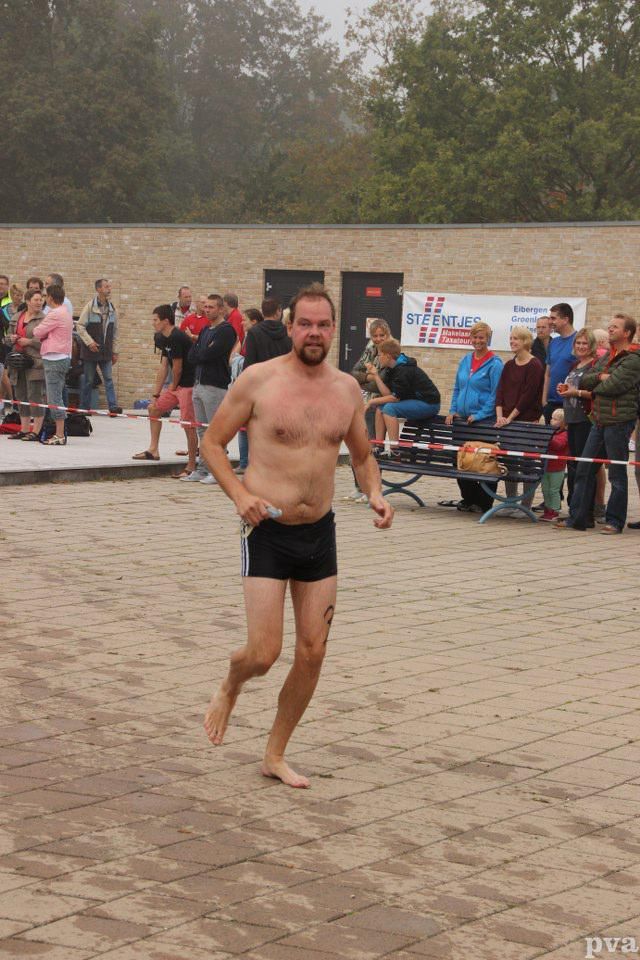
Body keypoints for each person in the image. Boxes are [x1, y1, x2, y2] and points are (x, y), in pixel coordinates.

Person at [201, 283, 394, 788]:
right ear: (289, 327)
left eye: (323, 324)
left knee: (313, 651)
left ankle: (275, 752)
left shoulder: (347, 390)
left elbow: (361, 455)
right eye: (304, 323)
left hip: (319, 534)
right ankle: (231, 682)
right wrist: (240, 496)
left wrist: (374, 492)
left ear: (334, 330)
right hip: (265, 530)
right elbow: (212, 444)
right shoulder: (259, 381)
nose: (314, 332)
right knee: (263, 654)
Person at [556, 313, 640, 534]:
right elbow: (586, 378)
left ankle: (614, 520)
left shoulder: (633, 358)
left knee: (616, 473)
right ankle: (578, 518)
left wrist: (602, 379)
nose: (610, 329)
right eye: (609, 326)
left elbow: (613, 386)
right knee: (583, 468)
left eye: (615, 327)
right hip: (599, 420)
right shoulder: (607, 356)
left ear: (627, 333)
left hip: (619, 422)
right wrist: (602, 377)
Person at [441, 322, 504, 513]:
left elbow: (496, 394)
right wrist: (453, 410)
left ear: (488, 339)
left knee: (482, 463)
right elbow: (458, 388)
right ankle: (468, 499)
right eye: (475, 337)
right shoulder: (465, 360)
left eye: (482, 337)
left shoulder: (495, 364)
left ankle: (484, 502)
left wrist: (480, 414)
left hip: (483, 421)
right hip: (462, 420)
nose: (478, 341)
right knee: (460, 460)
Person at [133, 305, 198, 475]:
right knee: (153, 409)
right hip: (175, 386)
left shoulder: (177, 337)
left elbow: (177, 369)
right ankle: (153, 450)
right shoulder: (161, 337)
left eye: (155, 320)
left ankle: (191, 465)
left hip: (187, 385)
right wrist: (156, 394)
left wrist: (173, 387)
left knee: (188, 424)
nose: (152, 323)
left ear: (165, 321)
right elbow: (164, 367)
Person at [182, 294, 237, 484]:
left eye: (211, 307)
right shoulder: (205, 329)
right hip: (198, 383)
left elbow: (209, 353)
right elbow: (193, 355)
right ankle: (203, 468)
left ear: (221, 309)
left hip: (215, 386)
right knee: (202, 432)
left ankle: (219, 470)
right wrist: (201, 352)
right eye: (205, 306)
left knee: (216, 432)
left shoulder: (226, 331)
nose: (207, 310)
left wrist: (201, 352)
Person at [494, 325, 544, 510]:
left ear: (526, 342)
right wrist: (500, 416)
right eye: (511, 338)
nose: (512, 341)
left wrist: (511, 418)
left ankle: (526, 505)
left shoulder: (535, 365)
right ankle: (510, 502)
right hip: (506, 421)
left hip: (525, 420)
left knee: (527, 463)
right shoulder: (508, 364)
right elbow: (500, 391)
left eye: (517, 338)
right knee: (509, 462)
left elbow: (527, 396)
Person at [344, 319, 391, 501]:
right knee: (356, 446)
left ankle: (371, 489)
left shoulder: (392, 352)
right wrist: (369, 376)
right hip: (361, 404)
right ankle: (358, 486)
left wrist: (370, 380)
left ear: (387, 334)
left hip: (377, 405)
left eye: (382, 335)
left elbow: (382, 384)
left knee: (372, 448)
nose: (378, 339)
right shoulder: (369, 350)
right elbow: (354, 373)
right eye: (375, 335)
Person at [366, 338, 440, 450]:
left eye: (380, 355)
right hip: (415, 402)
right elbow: (389, 394)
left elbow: (394, 399)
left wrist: (371, 401)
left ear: (388, 356)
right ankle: (379, 447)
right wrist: (376, 376)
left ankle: (394, 450)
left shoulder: (403, 370)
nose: (378, 357)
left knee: (389, 408)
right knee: (380, 409)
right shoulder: (392, 368)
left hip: (429, 404)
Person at [558, 327, 597, 510]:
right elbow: (571, 389)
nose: (581, 346)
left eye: (585, 343)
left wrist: (576, 392)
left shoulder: (594, 366)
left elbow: (596, 393)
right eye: (578, 343)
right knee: (572, 466)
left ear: (591, 346)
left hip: (585, 421)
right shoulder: (575, 365)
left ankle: (584, 510)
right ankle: (574, 507)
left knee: (583, 467)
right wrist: (564, 389)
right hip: (571, 419)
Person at [33, 283, 74, 445]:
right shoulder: (65, 312)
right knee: (56, 396)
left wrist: (45, 335)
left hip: (54, 359)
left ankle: (60, 434)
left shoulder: (54, 313)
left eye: (45, 296)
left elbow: (37, 332)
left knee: (54, 398)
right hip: (62, 357)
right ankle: (59, 433)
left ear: (50, 297)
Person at [5, 288, 46, 440]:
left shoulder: (44, 319)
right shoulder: (17, 316)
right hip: (18, 362)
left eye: (41, 299)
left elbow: (46, 341)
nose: (39, 302)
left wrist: (29, 341)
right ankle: (23, 429)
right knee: (21, 395)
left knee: (35, 395)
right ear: (28, 301)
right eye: (36, 300)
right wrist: (12, 338)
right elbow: (7, 336)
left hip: (35, 362)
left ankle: (35, 431)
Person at [77, 279, 122, 413]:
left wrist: (116, 352)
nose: (109, 289)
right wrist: (89, 342)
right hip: (91, 351)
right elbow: (79, 326)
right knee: (89, 381)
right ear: (99, 289)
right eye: (106, 286)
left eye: (109, 286)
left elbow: (115, 332)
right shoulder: (90, 307)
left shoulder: (112, 309)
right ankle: (84, 408)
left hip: (106, 352)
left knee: (108, 379)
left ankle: (113, 407)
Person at [233, 308, 264, 475]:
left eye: (244, 320)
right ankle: (244, 462)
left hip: (254, 387)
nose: (241, 322)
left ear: (254, 321)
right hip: (243, 384)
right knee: (242, 426)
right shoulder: (245, 337)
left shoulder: (257, 337)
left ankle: (254, 462)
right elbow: (233, 356)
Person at [541, 302, 575, 423]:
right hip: (550, 404)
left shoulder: (578, 342)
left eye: (553, 318)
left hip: (568, 404)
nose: (550, 322)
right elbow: (548, 373)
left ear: (565, 319)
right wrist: (544, 401)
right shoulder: (553, 342)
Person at [538, 408, 570, 522]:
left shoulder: (565, 434)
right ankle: (547, 509)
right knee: (545, 489)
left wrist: (549, 437)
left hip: (557, 468)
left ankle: (555, 510)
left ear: (563, 422)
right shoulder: (552, 432)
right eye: (552, 418)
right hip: (546, 467)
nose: (551, 421)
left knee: (554, 490)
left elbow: (559, 445)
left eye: (555, 419)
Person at [243, 297, 291, 366]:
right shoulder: (288, 332)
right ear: (279, 311)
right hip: (282, 375)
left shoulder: (254, 333)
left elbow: (249, 362)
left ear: (262, 312)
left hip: (261, 375)